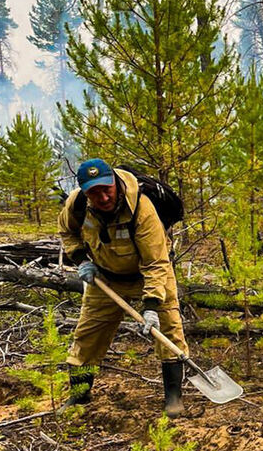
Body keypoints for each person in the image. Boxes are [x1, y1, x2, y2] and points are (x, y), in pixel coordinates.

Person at [58, 158, 188, 418]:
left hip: (148, 274)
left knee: (170, 331)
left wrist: (151, 306)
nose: (103, 197)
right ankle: (79, 395)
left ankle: (173, 398)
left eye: (107, 189)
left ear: (115, 182)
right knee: (87, 336)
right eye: (94, 192)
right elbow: (66, 231)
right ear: (84, 192)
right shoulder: (77, 204)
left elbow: (156, 263)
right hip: (104, 277)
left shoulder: (141, 208)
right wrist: (81, 260)